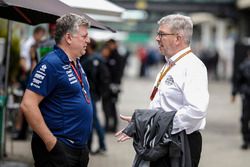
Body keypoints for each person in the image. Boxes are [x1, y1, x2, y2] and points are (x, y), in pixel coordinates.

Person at [115, 14, 209, 167]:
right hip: (165, 139)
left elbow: (196, 110)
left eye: (161, 34)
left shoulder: (193, 67)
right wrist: (143, 122)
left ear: (178, 38)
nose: (157, 38)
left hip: (180, 142)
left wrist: (157, 126)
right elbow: (163, 105)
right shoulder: (170, 63)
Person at [20, 13, 92, 167]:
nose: (88, 40)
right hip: (58, 148)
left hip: (77, 148)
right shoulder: (51, 63)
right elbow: (28, 105)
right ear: (69, 37)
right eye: (84, 36)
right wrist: (51, 143)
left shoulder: (76, 63)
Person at [13, 26, 45, 140]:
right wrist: (29, 71)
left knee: (29, 104)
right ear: (37, 33)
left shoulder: (36, 44)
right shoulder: (28, 44)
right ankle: (20, 130)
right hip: (28, 76)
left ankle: (23, 132)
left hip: (31, 76)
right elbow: (23, 60)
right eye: (41, 34)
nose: (42, 37)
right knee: (26, 104)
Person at [80, 38, 110, 154]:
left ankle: (97, 146)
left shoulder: (90, 60)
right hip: (94, 94)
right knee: (94, 120)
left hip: (90, 93)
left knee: (93, 120)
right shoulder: (97, 58)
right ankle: (99, 145)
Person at [231, 50, 250, 150]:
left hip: (246, 96)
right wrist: (234, 93)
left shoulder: (243, 66)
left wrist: (234, 93)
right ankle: (246, 140)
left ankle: (246, 140)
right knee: (245, 119)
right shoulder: (244, 66)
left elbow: (237, 81)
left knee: (245, 118)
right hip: (246, 96)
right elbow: (238, 81)